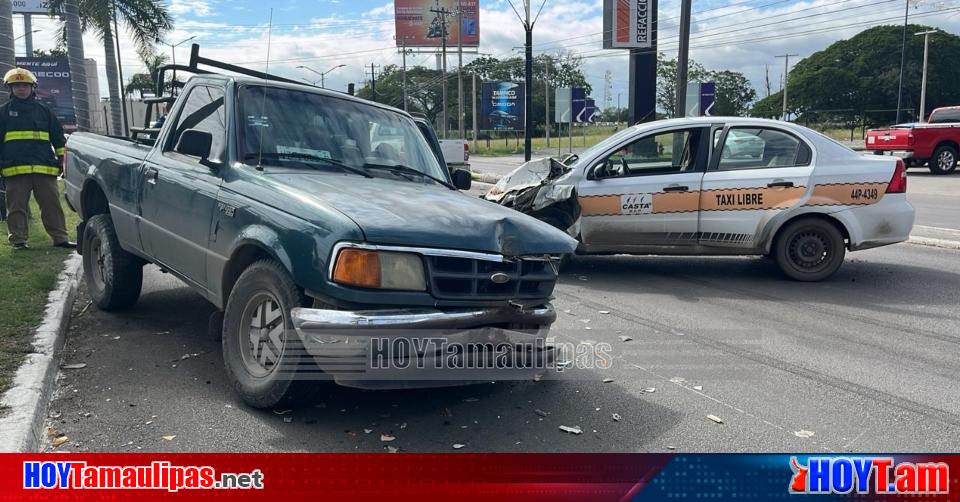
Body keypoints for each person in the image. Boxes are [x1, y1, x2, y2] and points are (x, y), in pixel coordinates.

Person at [0, 67, 75, 250]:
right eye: (16, 85)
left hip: (44, 167)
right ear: (10, 89)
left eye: (24, 85)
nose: (21, 89)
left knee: (52, 205)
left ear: (33, 87)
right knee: (17, 207)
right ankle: (19, 240)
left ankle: (60, 239)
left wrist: (62, 159)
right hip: (14, 169)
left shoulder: (44, 111)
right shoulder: (2, 112)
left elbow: (58, 138)